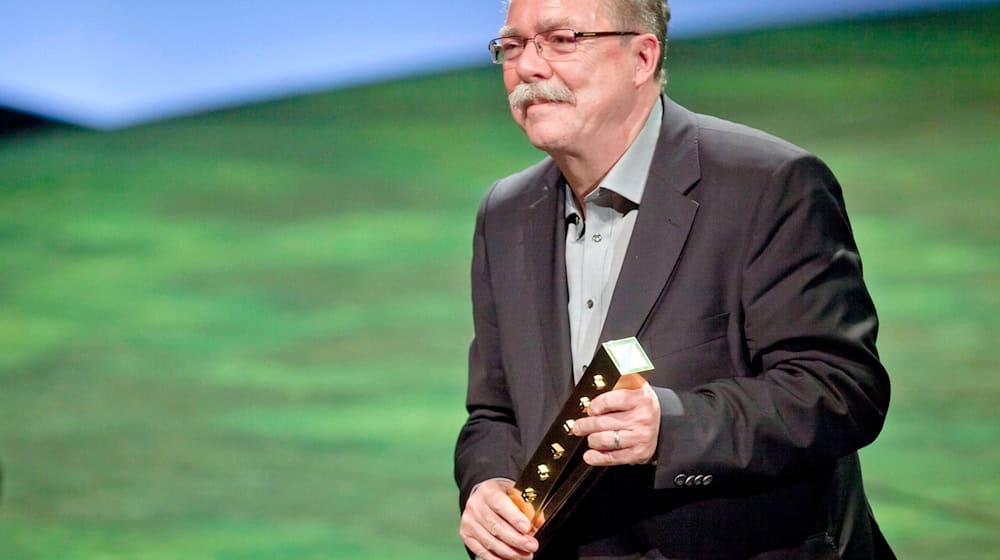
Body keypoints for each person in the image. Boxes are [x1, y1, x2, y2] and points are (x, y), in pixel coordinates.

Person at [454, 0, 895, 558]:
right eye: (512, 46)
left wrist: (673, 426)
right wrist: (487, 484)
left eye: (562, 40)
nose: (529, 67)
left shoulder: (768, 185)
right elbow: (493, 412)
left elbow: (840, 388)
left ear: (642, 57)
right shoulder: (505, 211)